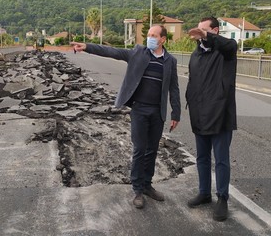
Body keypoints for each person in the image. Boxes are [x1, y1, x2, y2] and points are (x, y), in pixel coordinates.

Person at [71, 25, 181, 209]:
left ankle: (147, 185)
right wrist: (88, 47)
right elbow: (112, 51)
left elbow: (174, 88)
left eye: (154, 35)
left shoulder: (170, 61)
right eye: (148, 35)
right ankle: (137, 189)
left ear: (163, 39)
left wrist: (175, 113)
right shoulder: (137, 53)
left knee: (152, 150)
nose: (149, 38)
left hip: (157, 112)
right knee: (139, 149)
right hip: (139, 110)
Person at [186, 16, 237, 221]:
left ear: (215, 31)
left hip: (220, 114)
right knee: (202, 158)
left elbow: (229, 45)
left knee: (221, 159)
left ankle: (222, 198)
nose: (199, 34)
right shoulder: (196, 54)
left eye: (204, 31)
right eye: (197, 31)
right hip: (199, 114)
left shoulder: (226, 51)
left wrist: (207, 36)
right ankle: (204, 192)